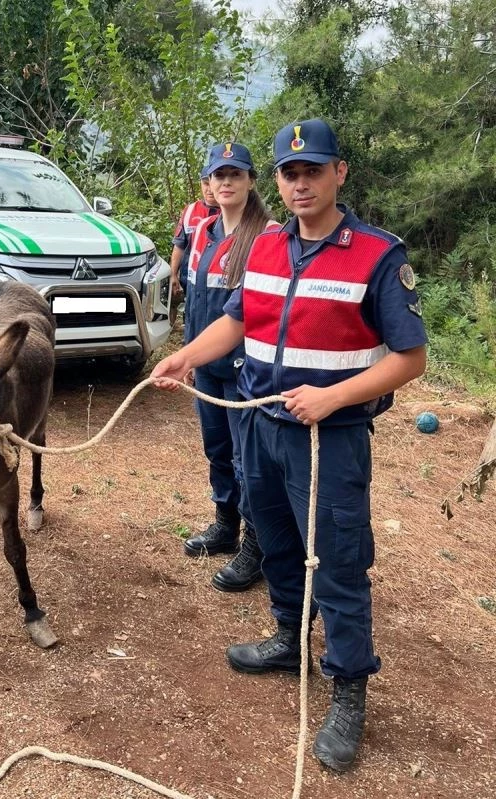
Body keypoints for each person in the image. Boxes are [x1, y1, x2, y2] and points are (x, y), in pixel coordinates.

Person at [152, 118, 427, 772]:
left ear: (340, 173)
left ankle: (349, 685)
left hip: (329, 439)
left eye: (313, 170)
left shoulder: (378, 255)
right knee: (274, 542)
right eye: (289, 172)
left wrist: (333, 397)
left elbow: (410, 358)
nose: (300, 182)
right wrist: (185, 357)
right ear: (276, 179)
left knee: (334, 561)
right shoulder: (270, 245)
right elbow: (239, 319)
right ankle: (287, 638)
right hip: (261, 425)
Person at [179, 142, 278, 596]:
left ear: (251, 181)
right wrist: (187, 356)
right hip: (207, 369)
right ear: (208, 184)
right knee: (217, 452)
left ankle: (257, 547)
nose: (225, 183)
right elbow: (195, 302)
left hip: (244, 374)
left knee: (248, 462)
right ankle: (225, 526)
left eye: (234, 174)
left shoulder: (268, 235)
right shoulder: (202, 231)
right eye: (218, 176)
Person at [169, 170, 220, 323]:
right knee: (191, 318)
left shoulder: (231, 212)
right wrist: (173, 274)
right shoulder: (190, 211)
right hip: (190, 280)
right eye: (205, 184)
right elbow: (179, 245)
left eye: (212, 184)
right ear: (201, 184)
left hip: (218, 283)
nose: (209, 189)